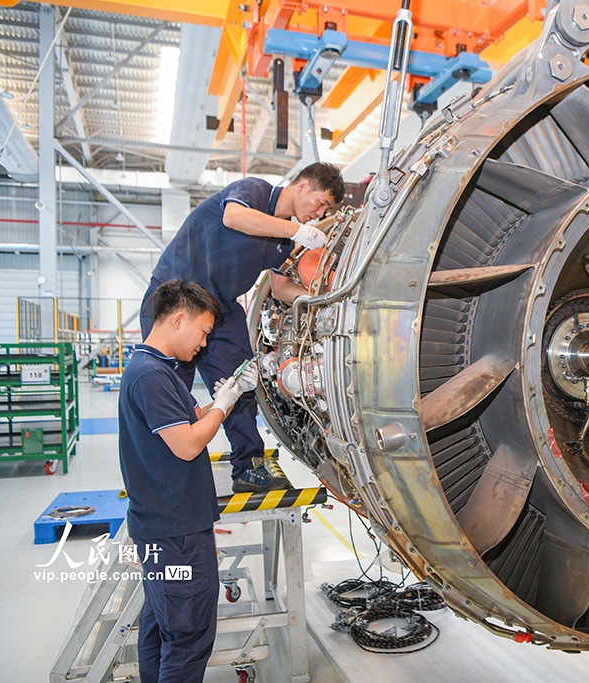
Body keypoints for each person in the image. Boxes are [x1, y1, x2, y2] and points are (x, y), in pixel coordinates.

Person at [140, 162, 345, 492]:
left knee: (240, 382)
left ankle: (248, 466)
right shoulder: (255, 191)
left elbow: (280, 289)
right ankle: (167, 474)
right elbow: (233, 217)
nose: (318, 213)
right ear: (303, 186)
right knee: (170, 388)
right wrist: (294, 232)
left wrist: (326, 299)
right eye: (320, 203)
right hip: (175, 298)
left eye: (327, 210)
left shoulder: (282, 242)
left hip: (218, 307)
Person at [119, 279, 259, 683]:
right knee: (188, 637)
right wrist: (226, 404)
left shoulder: (159, 369)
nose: (203, 344)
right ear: (179, 319)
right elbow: (187, 444)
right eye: (203, 333)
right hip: (176, 534)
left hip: (166, 527)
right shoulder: (151, 375)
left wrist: (223, 396)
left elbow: (193, 421)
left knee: (161, 628)